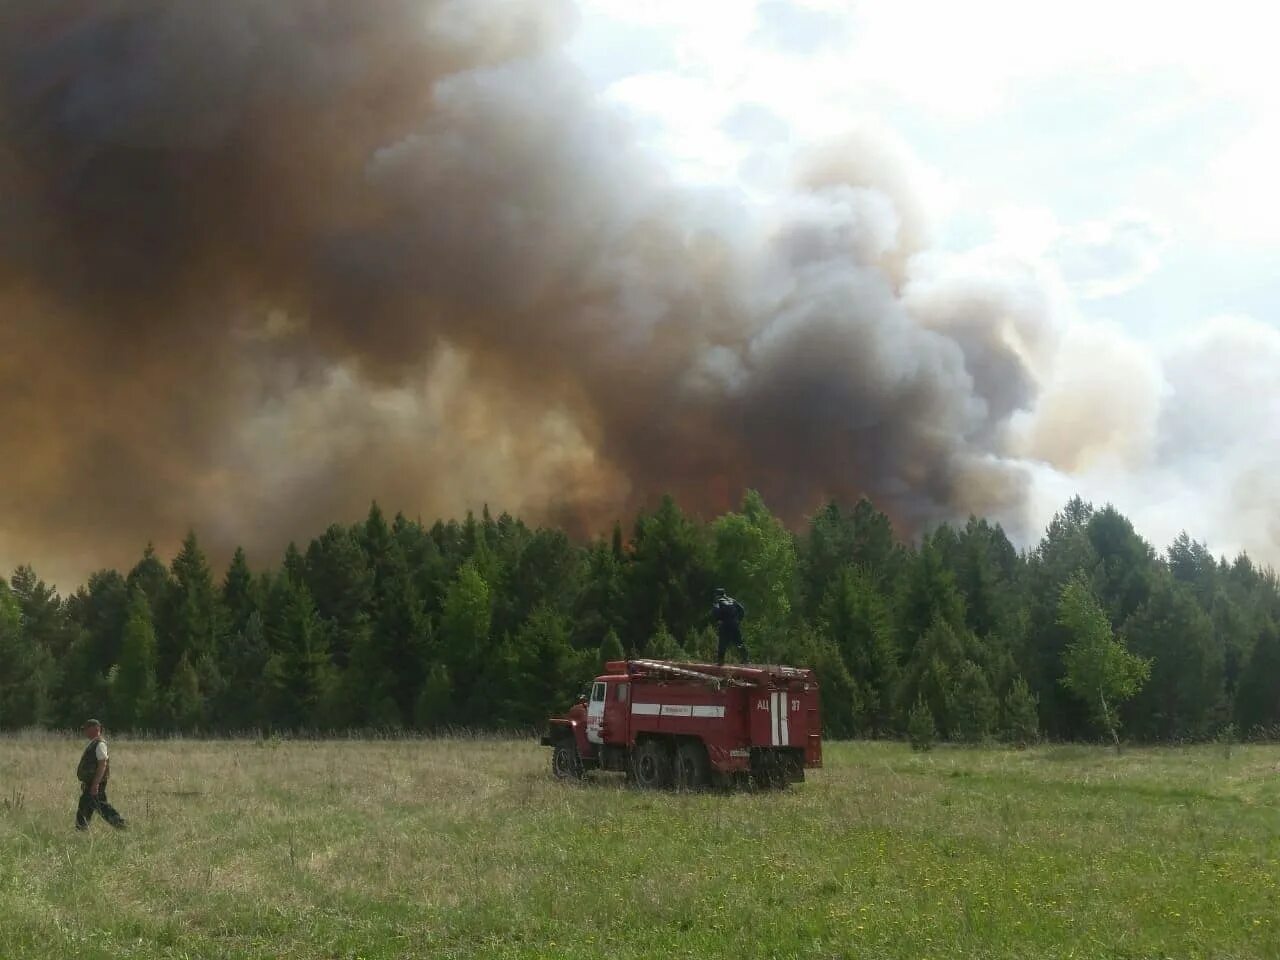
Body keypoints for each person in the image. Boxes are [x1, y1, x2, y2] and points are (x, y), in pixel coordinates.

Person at [76, 719, 127, 831]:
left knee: (101, 806)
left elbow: (102, 764)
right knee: (87, 806)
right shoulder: (94, 743)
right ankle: (81, 830)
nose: (85, 732)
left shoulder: (100, 744)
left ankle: (121, 825)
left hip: (95, 783)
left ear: (96, 729)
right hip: (91, 783)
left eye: (87, 729)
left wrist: (95, 784)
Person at [711, 587, 747, 665]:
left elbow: (716, 611)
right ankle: (745, 659)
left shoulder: (718, 601)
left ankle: (721, 661)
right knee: (739, 642)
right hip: (734, 624)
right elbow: (742, 609)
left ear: (717, 595)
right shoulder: (732, 600)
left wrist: (718, 620)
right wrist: (738, 620)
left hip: (725, 624)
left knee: (722, 643)